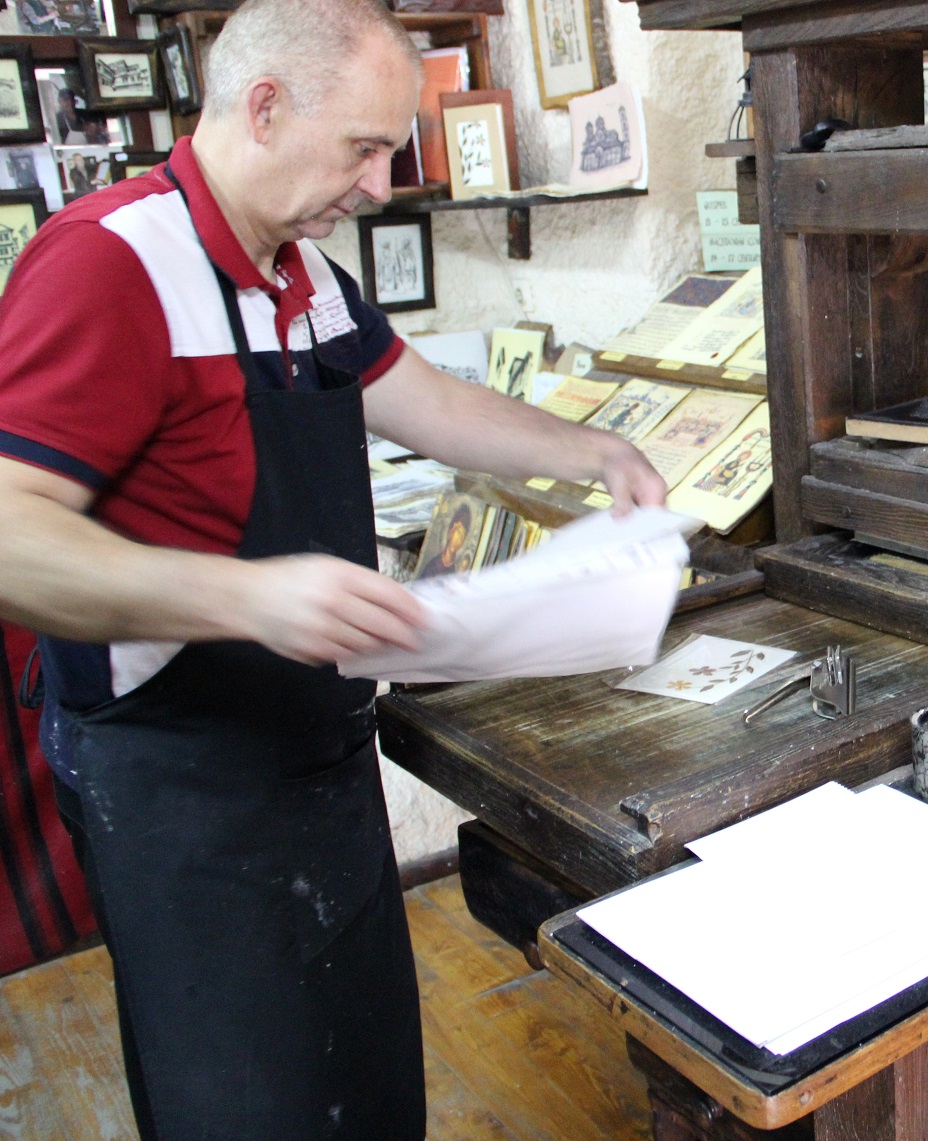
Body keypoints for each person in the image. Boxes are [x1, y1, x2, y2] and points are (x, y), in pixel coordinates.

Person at [0, 1, 666, 1137]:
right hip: (180, 783)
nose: (377, 184)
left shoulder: (299, 271)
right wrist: (245, 594)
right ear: (264, 107)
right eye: (363, 147)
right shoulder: (112, 264)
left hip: (316, 751)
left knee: (360, 1081)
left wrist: (590, 450)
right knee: (245, 1102)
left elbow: (429, 401)